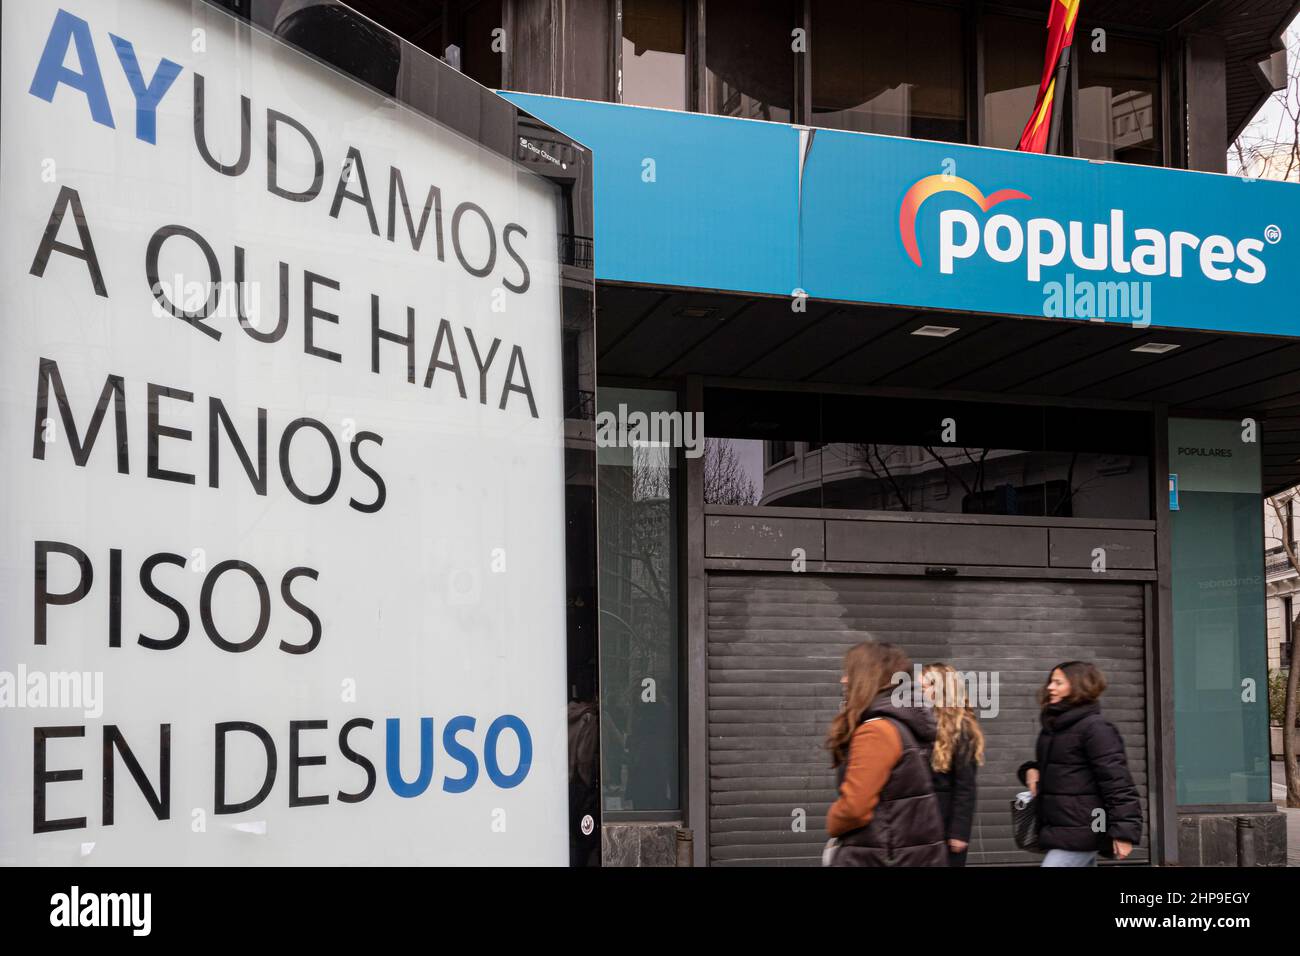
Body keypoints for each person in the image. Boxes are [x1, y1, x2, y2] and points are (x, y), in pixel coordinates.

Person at [823, 641, 946, 866]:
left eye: (849, 673)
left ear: (868, 677)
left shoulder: (876, 731)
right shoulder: (900, 725)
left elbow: (854, 809)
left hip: (880, 856)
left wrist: (832, 821)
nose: (843, 680)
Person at [1017, 661, 1142, 867]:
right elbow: (1063, 768)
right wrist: (1031, 771)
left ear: (1078, 686)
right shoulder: (1054, 727)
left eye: (1058, 682)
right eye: (1051, 682)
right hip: (1066, 826)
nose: (1050, 687)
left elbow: (1118, 783)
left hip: (1087, 827)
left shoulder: (1096, 728)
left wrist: (1124, 833)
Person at [922, 662, 984, 866]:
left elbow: (966, 786)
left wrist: (959, 832)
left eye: (929, 684)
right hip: (920, 821)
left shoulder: (962, 729)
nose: (922, 688)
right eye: (921, 685)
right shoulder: (919, 721)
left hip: (945, 821)